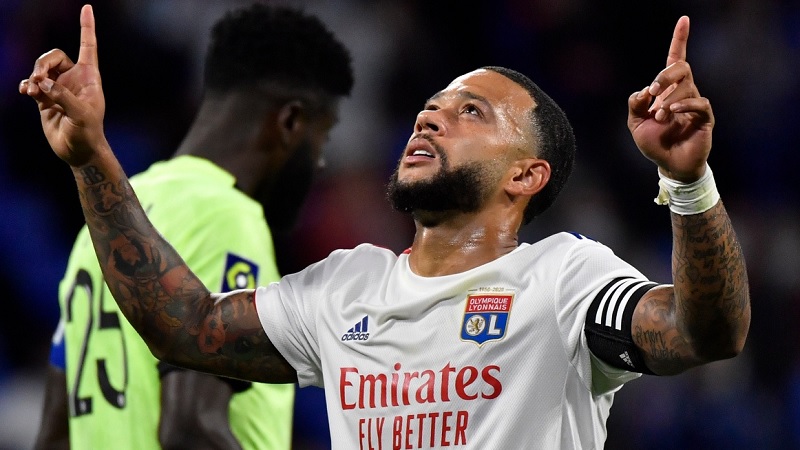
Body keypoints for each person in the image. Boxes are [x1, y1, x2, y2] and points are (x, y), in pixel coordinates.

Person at [22, 6, 750, 449]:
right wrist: (91, 156)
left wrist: (688, 185)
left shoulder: (564, 279)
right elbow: (184, 327)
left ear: (526, 176)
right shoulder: (343, 288)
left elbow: (705, 333)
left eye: (471, 112)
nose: (430, 117)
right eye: (430, 107)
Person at [29, 4, 353, 449]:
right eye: (323, 137)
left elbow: (54, 437)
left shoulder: (101, 226)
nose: (320, 163)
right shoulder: (224, 215)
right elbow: (191, 428)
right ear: (290, 122)